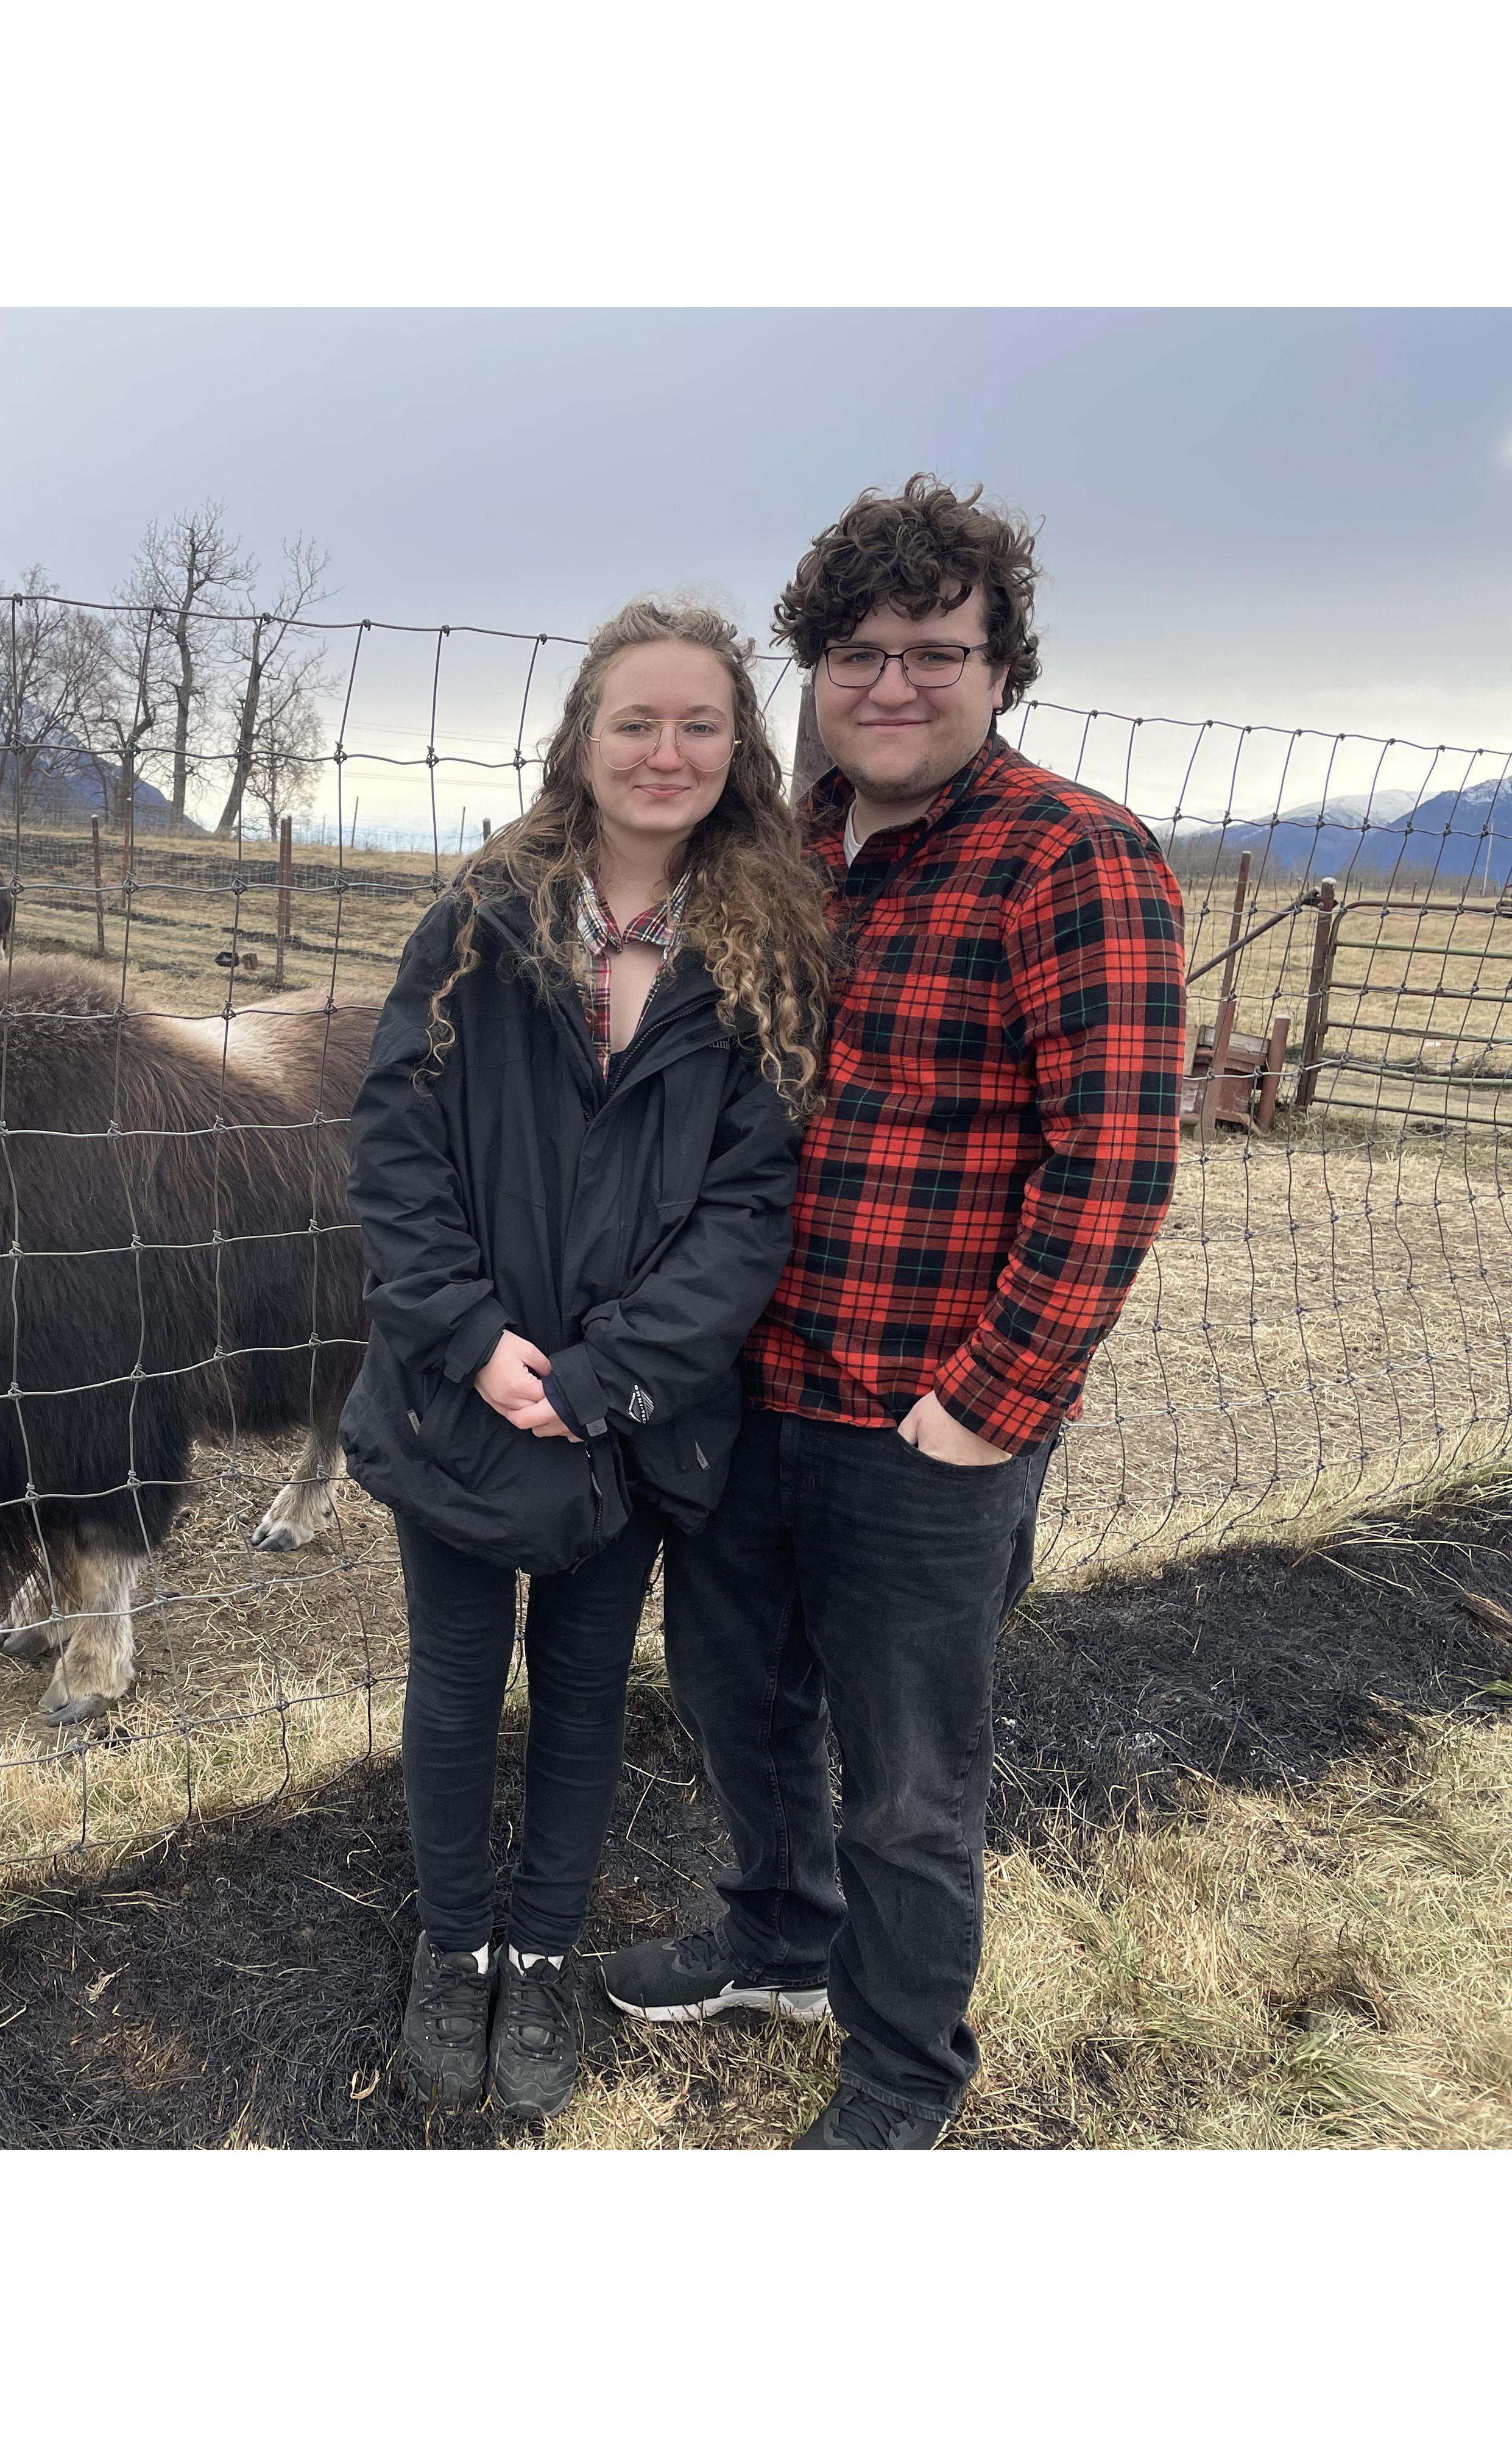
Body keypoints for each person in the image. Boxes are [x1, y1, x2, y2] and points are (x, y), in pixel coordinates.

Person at [602, 477, 1187, 2147]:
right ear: (815, 670)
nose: (894, 687)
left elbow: (1114, 1165)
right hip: (752, 1388)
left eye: (939, 652)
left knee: (911, 1777)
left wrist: (992, 1402)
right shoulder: (784, 858)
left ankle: (904, 2068)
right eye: (858, 654)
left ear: (1003, 667)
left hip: (925, 1419)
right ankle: (779, 1941)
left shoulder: (1075, 862)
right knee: (736, 1702)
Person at [340, 598, 833, 2119]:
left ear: (739, 749)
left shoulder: (765, 955)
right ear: (583, 738)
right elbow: (395, 1149)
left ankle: (542, 1957)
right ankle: (453, 1953)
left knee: (581, 1689)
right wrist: (483, 1345)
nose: (667, 751)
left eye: (701, 725)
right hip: (462, 1399)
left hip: (632, 1423)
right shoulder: (479, 924)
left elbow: (752, 1210)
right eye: (639, 721)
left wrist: (605, 1375)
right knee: (452, 1681)